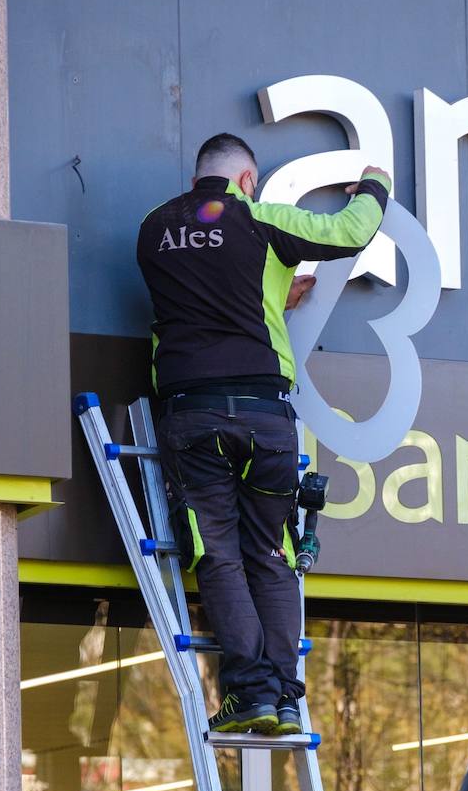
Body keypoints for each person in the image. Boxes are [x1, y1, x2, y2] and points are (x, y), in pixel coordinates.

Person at [136, 133, 391, 734]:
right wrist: (376, 183)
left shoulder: (153, 228)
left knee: (217, 554)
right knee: (272, 554)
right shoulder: (259, 218)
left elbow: (209, 288)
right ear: (247, 179)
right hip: (265, 416)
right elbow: (351, 231)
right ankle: (279, 698)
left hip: (190, 413)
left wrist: (278, 290)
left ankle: (248, 692)